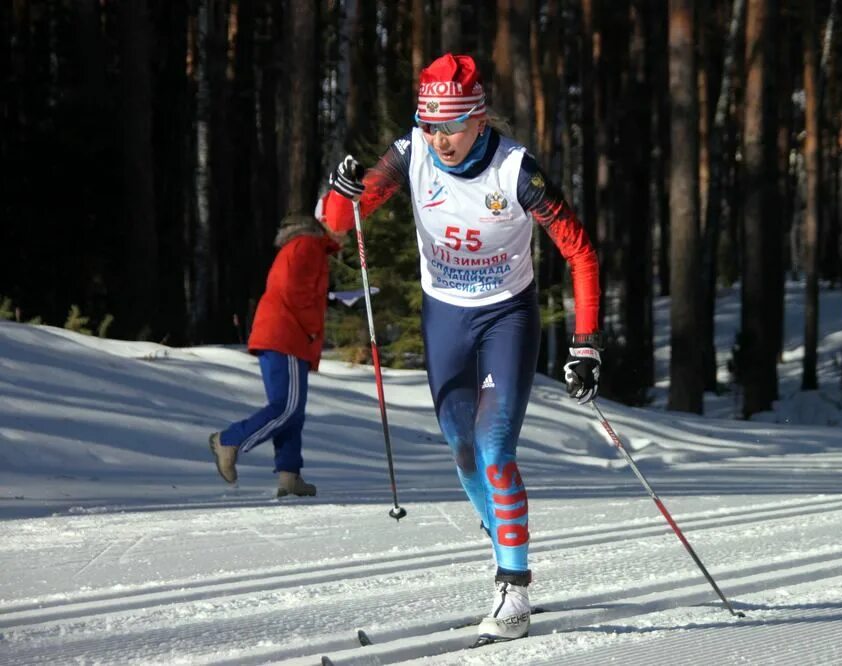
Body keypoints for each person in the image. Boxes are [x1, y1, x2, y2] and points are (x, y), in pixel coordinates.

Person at [320, 53, 602, 642]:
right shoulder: (410, 154)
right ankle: (503, 533)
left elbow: (580, 253)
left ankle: (514, 589)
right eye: (430, 124)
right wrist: (341, 191)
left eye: (451, 125)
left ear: (479, 119)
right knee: (463, 451)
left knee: (495, 448)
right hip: (445, 316)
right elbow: (338, 223)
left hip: (506, 317)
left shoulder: (517, 171)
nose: (440, 139)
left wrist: (586, 345)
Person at [209, 214, 343, 498]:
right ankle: (230, 440)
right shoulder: (308, 246)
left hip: (280, 333)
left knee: (291, 410)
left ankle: (289, 475)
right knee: (287, 408)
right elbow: (294, 291)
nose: (346, 232)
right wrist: (309, 330)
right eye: (341, 224)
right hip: (288, 335)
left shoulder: (302, 247)